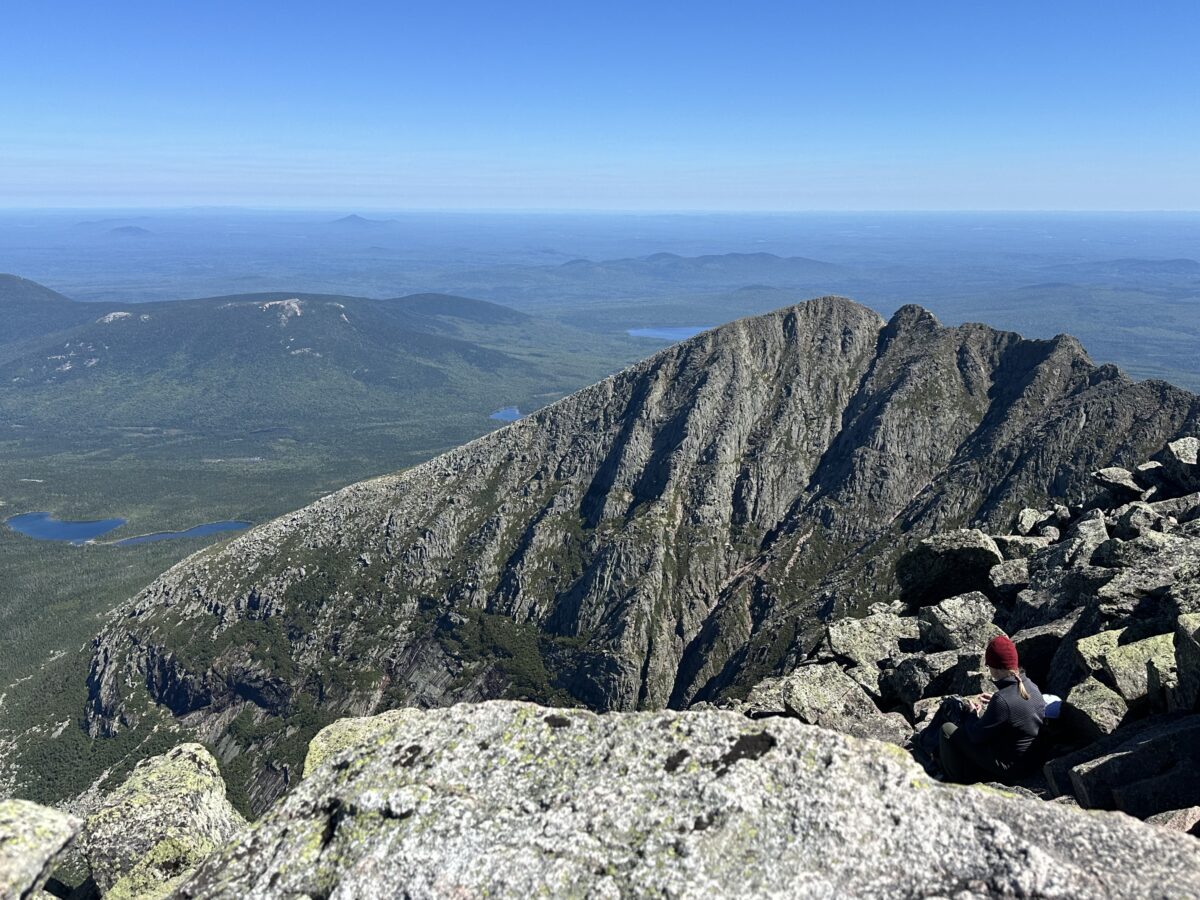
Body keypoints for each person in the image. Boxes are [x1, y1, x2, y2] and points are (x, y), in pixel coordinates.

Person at [938, 635, 1046, 784]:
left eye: (988, 666)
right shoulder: (1031, 686)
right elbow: (1015, 710)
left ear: (995, 667)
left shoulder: (1002, 701)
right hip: (1028, 759)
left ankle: (958, 780)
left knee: (947, 729)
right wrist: (996, 701)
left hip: (1011, 768)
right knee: (981, 719)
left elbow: (975, 736)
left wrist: (971, 713)